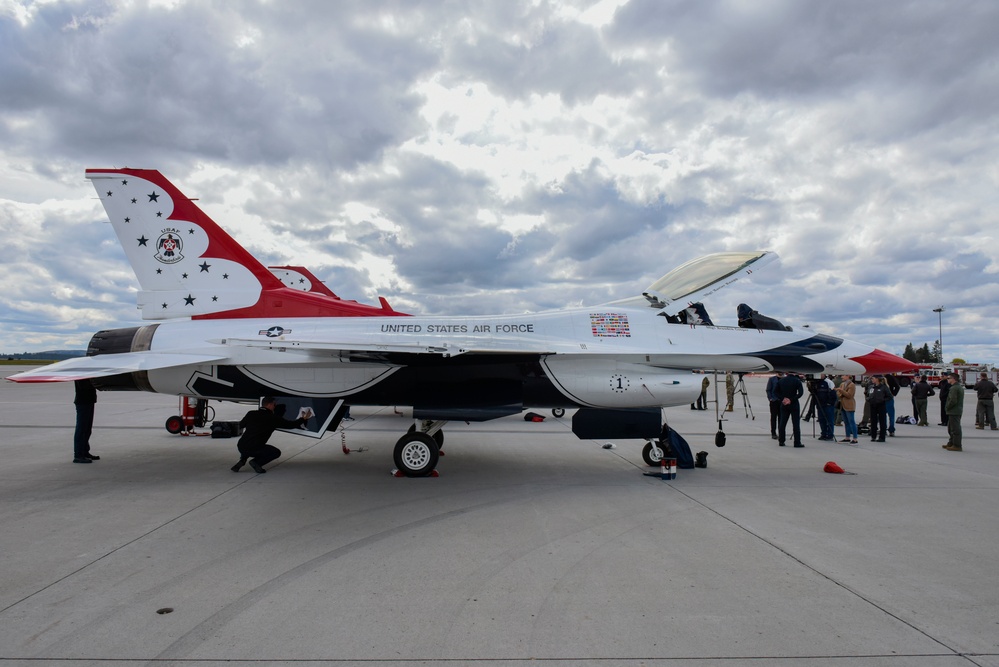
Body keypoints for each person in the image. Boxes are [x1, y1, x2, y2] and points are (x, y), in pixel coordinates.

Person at [232, 397, 312, 473]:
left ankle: (242, 460)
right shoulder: (273, 418)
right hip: (255, 447)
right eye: (274, 405)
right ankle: (256, 462)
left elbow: (241, 425)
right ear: (269, 405)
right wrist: (304, 418)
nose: (275, 407)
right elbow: (291, 425)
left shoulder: (251, 413)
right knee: (276, 452)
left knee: (248, 443)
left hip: (241, 446)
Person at [73, 379, 99, 464]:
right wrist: (95, 383)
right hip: (83, 401)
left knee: (87, 429)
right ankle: (78, 455)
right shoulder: (81, 375)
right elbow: (84, 386)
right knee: (81, 429)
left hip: (89, 400)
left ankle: (85, 451)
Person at [775, 372, 804, 447]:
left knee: (782, 423)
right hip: (794, 404)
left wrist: (783, 399)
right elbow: (800, 393)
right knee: (796, 424)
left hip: (784, 404)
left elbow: (775, 391)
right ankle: (797, 442)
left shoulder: (781, 381)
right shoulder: (797, 381)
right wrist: (791, 399)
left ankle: (781, 441)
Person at [943, 373, 965, 451]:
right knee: (951, 428)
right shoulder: (958, 387)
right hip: (956, 410)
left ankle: (957, 445)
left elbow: (952, 400)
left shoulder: (954, 388)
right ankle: (951, 442)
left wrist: (947, 407)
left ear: (953, 379)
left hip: (954, 411)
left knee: (955, 428)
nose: (947, 379)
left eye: (949, 378)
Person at [867, 376, 891, 442]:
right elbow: (867, 394)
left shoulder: (884, 387)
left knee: (882, 421)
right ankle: (873, 436)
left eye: (873, 378)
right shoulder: (871, 387)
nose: (872, 379)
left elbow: (889, 396)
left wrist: (883, 400)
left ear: (877, 379)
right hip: (873, 405)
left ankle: (882, 437)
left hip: (881, 405)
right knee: (873, 421)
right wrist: (869, 399)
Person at [836, 375, 858, 443]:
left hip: (849, 405)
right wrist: (840, 392)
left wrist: (841, 391)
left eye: (843, 376)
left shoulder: (852, 385)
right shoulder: (842, 384)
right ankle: (847, 437)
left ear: (848, 376)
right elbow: (839, 394)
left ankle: (855, 438)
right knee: (846, 422)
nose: (842, 377)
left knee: (851, 421)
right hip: (842, 405)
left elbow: (849, 395)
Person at [766, 372, 782, 440]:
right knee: (773, 417)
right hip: (774, 401)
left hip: (781, 401)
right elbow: (768, 389)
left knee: (781, 418)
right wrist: (770, 398)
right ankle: (773, 433)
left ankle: (781, 433)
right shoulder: (772, 379)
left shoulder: (784, 379)